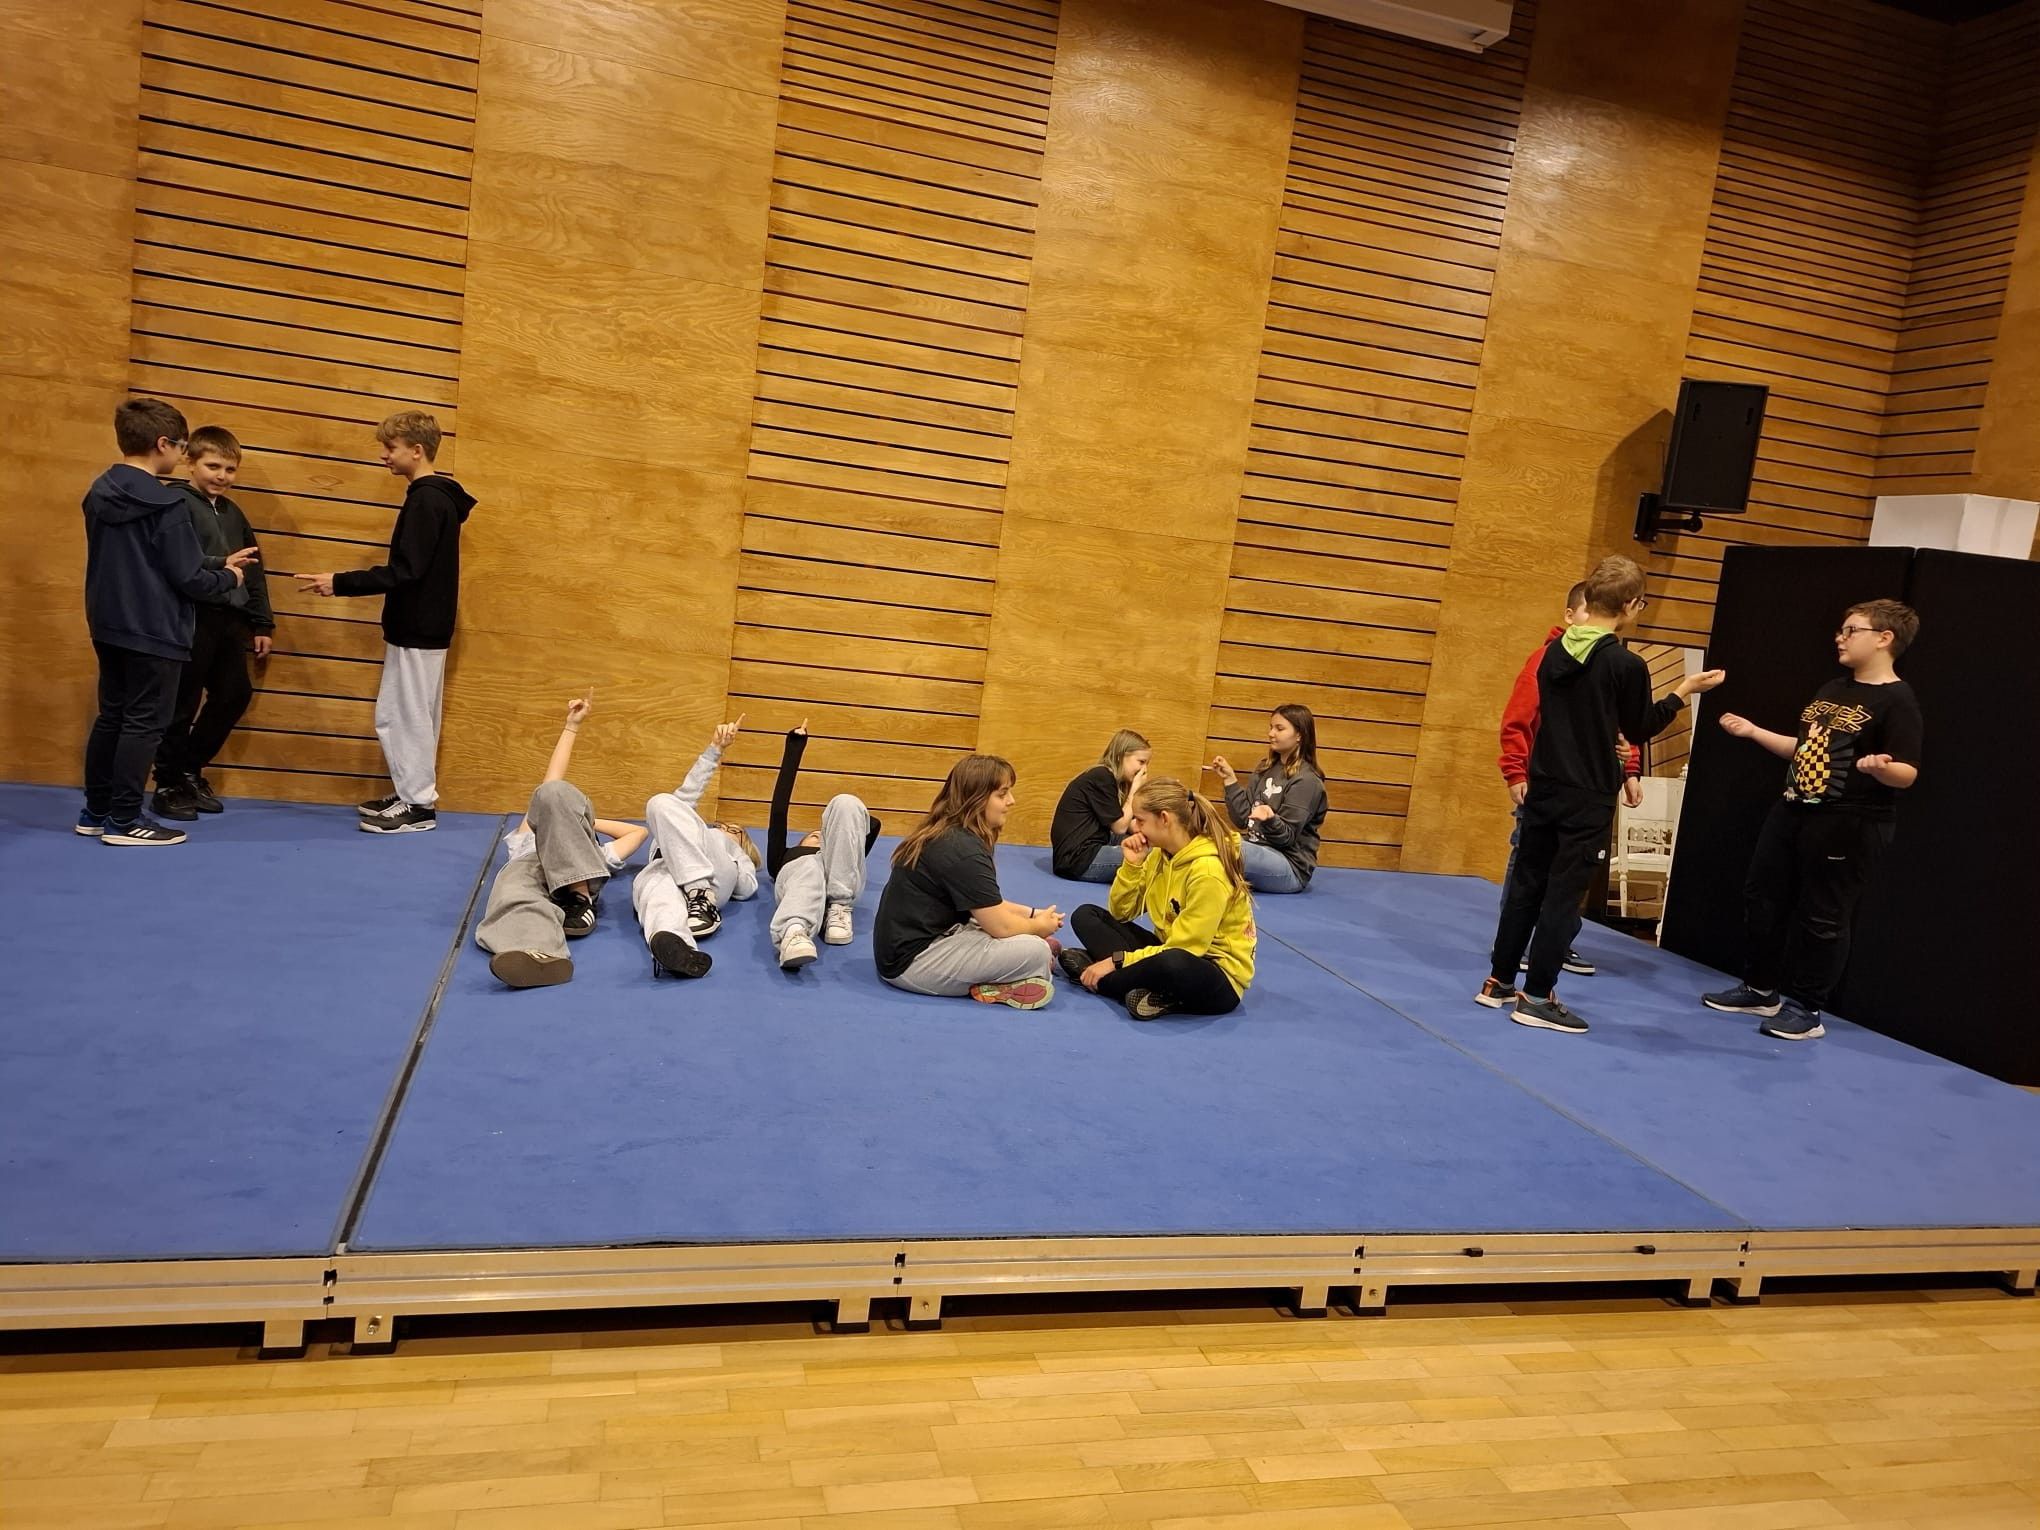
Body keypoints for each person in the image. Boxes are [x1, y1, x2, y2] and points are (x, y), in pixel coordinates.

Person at [1479, 556, 1724, 1034]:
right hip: (1586, 794)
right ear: (1632, 605)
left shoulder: (1552, 653)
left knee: (1527, 886)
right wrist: (1683, 691)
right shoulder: (1625, 664)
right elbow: (1639, 727)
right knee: (1562, 896)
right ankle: (1537, 996)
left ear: (1588, 599)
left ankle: (1499, 980)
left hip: (1544, 785)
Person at [1701, 600, 1923, 1041]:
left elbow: (1907, 771)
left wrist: (1881, 768)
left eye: (1852, 630)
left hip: (1849, 821)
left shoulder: (1898, 700)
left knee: (1824, 915)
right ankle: (1760, 988)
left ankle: (1807, 1008)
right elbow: (1804, 749)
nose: (1840, 637)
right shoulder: (1832, 689)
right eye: (1841, 630)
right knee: (1762, 896)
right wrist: (1753, 732)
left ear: (1885, 638)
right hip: (1794, 808)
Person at [78, 398, 254, 847]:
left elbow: (147, 556)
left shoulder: (99, 491)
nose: (180, 454)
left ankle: (96, 811)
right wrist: (229, 577)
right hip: (155, 627)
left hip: (109, 621)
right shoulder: (167, 503)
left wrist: (213, 562)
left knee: (112, 717)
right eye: (180, 446)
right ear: (163, 444)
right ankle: (124, 820)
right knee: (143, 724)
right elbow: (188, 577)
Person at [296, 411, 474, 836]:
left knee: (403, 717)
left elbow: (406, 570)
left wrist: (340, 582)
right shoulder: (436, 499)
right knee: (412, 714)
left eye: (391, 448)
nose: (384, 455)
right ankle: (411, 793)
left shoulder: (426, 500)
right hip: (423, 625)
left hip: (418, 626)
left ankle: (418, 806)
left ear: (417, 450)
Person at [1497, 580, 1643, 979]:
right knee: (1528, 867)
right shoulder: (1547, 658)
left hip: (1587, 784)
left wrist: (1630, 769)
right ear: (1571, 615)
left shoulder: (1611, 662)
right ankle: (1515, 950)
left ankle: (1553, 944)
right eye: (1586, 613)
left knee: (1570, 875)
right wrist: (1515, 770)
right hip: (1546, 780)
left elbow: (1620, 726)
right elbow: (1518, 719)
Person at [474, 697, 649, 989]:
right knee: (513, 892)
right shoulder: (528, 838)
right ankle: (540, 954)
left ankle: (580, 898)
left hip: (580, 869)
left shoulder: (596, 855)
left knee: (557, 795)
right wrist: (571, 726)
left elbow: (638, 833)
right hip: (531, 866)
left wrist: (579, 821)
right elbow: (549, 784)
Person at [150, 425, 274, 822]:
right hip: (189, 615)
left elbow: (253, 569)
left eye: (230, 469)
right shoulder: (176, 503)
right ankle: (167, 783)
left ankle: (188, 768)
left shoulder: (233, 512)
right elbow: (175, 561)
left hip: (229, 619)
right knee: (182, 703)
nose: (222, 476)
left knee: (234, 693)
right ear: (190, 462)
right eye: (213, 466)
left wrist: (261, 623)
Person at [872, 754, 1062, 1009]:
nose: (1011, 801)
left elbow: (985, 904)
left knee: (1030, 942)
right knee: (1037, 952)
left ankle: (1011, 970)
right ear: (977, 798)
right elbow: (1001, 926)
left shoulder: (949, 833)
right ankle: (999, 983)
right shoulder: (962, 850)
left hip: (915, 945)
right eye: (1002, 794)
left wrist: (1032, 914)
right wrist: (1038, 927)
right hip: (912, 963)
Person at [1060, 777, 1256, 1020]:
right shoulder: (1159, 856)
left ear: (1164, 818)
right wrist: (1132, 866)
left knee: (1172, 963)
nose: (1134, 827)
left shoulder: (1207, 872)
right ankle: (1147, 990)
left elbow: (1186, 949)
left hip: (1213, 975)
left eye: (1140, 820)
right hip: (1168, 948)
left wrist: (1117, 961)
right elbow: (1121, 913)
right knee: (1086, 916)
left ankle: (1102, 981)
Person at [632, 716, 762, 979]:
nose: (723, 827)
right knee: (659, 805)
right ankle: (680, 951)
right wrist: (715, 749)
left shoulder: (730, 849)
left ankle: (701, 894)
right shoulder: (680, 828)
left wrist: (733, 859)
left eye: (734, 830)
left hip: (714, 877)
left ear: (744, 843)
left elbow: (747, 888)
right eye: (722, 825)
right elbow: (686, 795)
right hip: (665, 869)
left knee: (680, 817)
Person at [765, 721, 882, 971]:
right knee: (810, 863)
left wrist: (837, 829)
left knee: (846, 802)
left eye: (823, 837)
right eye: (814, 836)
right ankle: (793, 932)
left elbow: (870, 825)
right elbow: (778, 811)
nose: (820, 837)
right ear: (800, 843)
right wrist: (794, 748)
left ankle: (839, 907)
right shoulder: (784, 858)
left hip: (841, 884)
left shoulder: (838, 857)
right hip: (800, 879)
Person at [1212, 703, 1328, 893]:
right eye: (1271, 727)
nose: (1271, 733)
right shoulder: (1265, 767)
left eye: (1279, 728)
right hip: (1256, 849)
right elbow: (1243, 820)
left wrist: (1270, 819)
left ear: (1299, 735)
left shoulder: (1307, 781)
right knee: (1208, 839)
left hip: (1289, 866)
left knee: (1223, 847)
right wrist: (1230, 780)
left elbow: (1286, 838)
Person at [1049, 729, 1151, 881]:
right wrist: (1134, 790)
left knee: (1147, 844)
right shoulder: (1102, 777)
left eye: (1147, 764)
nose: (1144, 770)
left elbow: (1127, 824)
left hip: (1097, 841)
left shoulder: (1113, 780)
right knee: (1150, 856)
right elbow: (1119, 827)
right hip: (1078, 858)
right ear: (1120, 756)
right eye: (1141, 762)